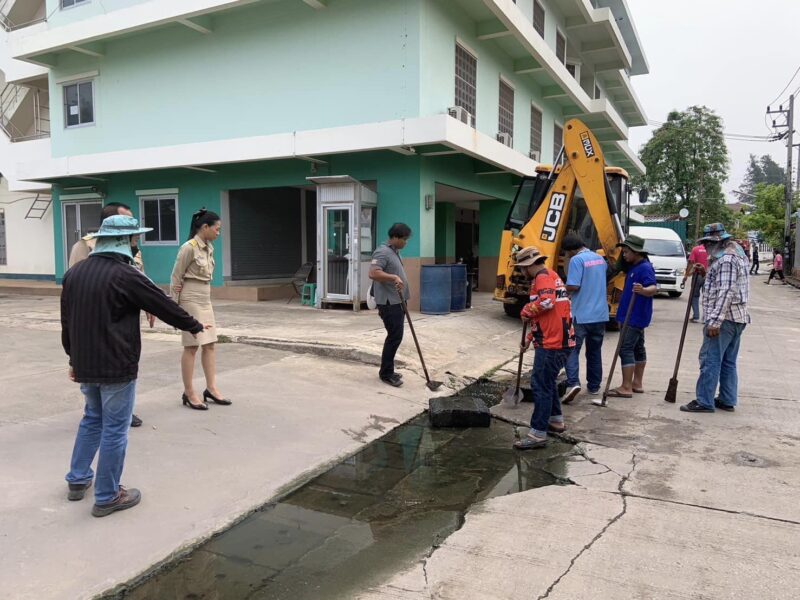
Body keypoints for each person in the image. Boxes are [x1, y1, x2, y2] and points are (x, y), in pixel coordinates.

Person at [62, 215, 205, 516]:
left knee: (92, 419)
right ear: (126, 241)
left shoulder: (75, 274)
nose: (137, 245)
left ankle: (77, 480)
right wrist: (193, 324)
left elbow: (67, 322)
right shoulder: (126, 274)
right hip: (116, 363)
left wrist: (73, 358)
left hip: (86, 363)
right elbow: (162, 304)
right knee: (115, 428)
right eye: (135, 239)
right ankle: (107, 495)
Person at [67, 202, 148, 428]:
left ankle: (122, 410)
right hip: (95, 318)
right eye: (126, 220)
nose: (132, 228)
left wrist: (150, 304)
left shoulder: (131, 245)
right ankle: (99, 411)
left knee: (125, 361)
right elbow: (76, 285)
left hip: (124, 316)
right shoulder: (84, 247)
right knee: (98, 363)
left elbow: (140, 275)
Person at [681, 223, 750, 413]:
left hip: (725, 319)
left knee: (710, 359)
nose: (706, 247)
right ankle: (727, 399)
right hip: (737, 318)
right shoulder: (736, 253)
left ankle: (704, 401)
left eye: (708, 243)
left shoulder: (726, 259)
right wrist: (706, 272)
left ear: (717, 241)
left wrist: (715, 321)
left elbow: (726, 291)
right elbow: (726, 282)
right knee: (728, 360)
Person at [513, 246, 575, 450]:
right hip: (557, 340)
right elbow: (547, 315)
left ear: (529, 265)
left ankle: (538, 433)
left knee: (540, 384)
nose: (522, 272)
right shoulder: (552, 276)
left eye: (522, 268)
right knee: (548, 382)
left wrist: (526, 309)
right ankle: (555, 420)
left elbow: (547, 302)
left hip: (553, 343)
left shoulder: (542, 278)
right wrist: (530, 337)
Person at [171, 208, 231, 410]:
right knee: (192, 345)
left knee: (210, 343)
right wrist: (174, 308)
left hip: (205, 297)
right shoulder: (188, 247)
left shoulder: (208, 247)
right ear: (205, 227)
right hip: (190, 297)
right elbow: (176, 277)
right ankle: (189, 392)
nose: (218, 233)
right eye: (217, 229)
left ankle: (211, 389)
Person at [606, 234, 658, 398]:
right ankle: (637, 383)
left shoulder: (644, 268)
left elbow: (653, 288)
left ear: (636, 252)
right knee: (637, 348)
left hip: (634, 315)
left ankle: (626, 386)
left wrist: (643, 290)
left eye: (627, 252)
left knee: (625, 348)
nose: (624, 255)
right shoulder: (633, 266)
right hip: (631, 314)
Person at [562, 233, 608, 402]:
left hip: (581, 315)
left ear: (571, 250)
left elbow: (574, 285)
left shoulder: (577, 260)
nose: (566, 255)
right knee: (594, 351)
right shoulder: (599, 259)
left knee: (571, 350)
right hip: (600, 315)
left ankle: (573, 383)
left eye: (566, 252)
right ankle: (594, 386)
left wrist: (561, 287)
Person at [368, 223, 412, 387]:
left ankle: (388, 369)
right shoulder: (382, 252)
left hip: (397, 300)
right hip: (388, 303)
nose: (406, 242)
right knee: (394, 337)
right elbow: (373, 273)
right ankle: (386, 373)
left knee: (395, 336)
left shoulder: (395, 252)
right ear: (395, 237)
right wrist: (393, 278)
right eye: (404, 239)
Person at [682, 241, 709, 323]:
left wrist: (686, 275)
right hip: (709, 275)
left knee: (694, 296)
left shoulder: (696, 249)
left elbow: (690, 263)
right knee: (707, 296)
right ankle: (706, 318)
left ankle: (696, 316)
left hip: (697, 275)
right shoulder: (712, 250)